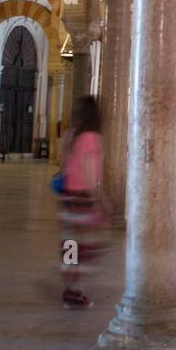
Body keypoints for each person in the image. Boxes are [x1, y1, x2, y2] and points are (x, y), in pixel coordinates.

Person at [58, 96, 108, 308]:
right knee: (86, 246)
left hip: (68, 195)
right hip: (82, 197)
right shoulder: (90, 137)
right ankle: (75, 290)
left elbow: (62, 162)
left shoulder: (70, 134)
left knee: (70, 242)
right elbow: (89, 172)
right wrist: (99, 199)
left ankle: (69, 285)